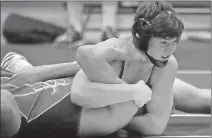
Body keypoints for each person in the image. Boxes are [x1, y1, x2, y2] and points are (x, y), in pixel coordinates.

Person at [1, 1, 211, 138]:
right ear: (144, 37)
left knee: (202, 99)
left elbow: (155, 126)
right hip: (121, 94)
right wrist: (124, 105)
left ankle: (24, 70)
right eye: (165, 42)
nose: (171, 49)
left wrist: (119, 118)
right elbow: (80, 82)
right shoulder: (114, 50)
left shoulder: (165, 64)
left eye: (173, 41)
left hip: (138, 95)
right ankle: (24, 70)